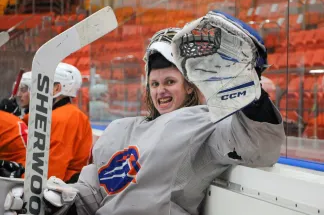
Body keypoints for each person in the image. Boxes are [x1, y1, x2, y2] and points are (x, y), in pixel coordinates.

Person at [4, 11, 285, 215]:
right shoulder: (121, 130)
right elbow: (94, 191)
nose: (160, 91)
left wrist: (251, 97)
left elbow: (257, 146)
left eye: (170, 82)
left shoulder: (205, 125)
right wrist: (62, 200)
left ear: (189, 87)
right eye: (154, 84)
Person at [6, 63, 93, 183]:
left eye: (42, 85)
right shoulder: (59, 113)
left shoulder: (64, 118)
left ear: (56, 88)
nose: (36, 91)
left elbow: (51, 170)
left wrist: (19, 179)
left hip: (61, 187)